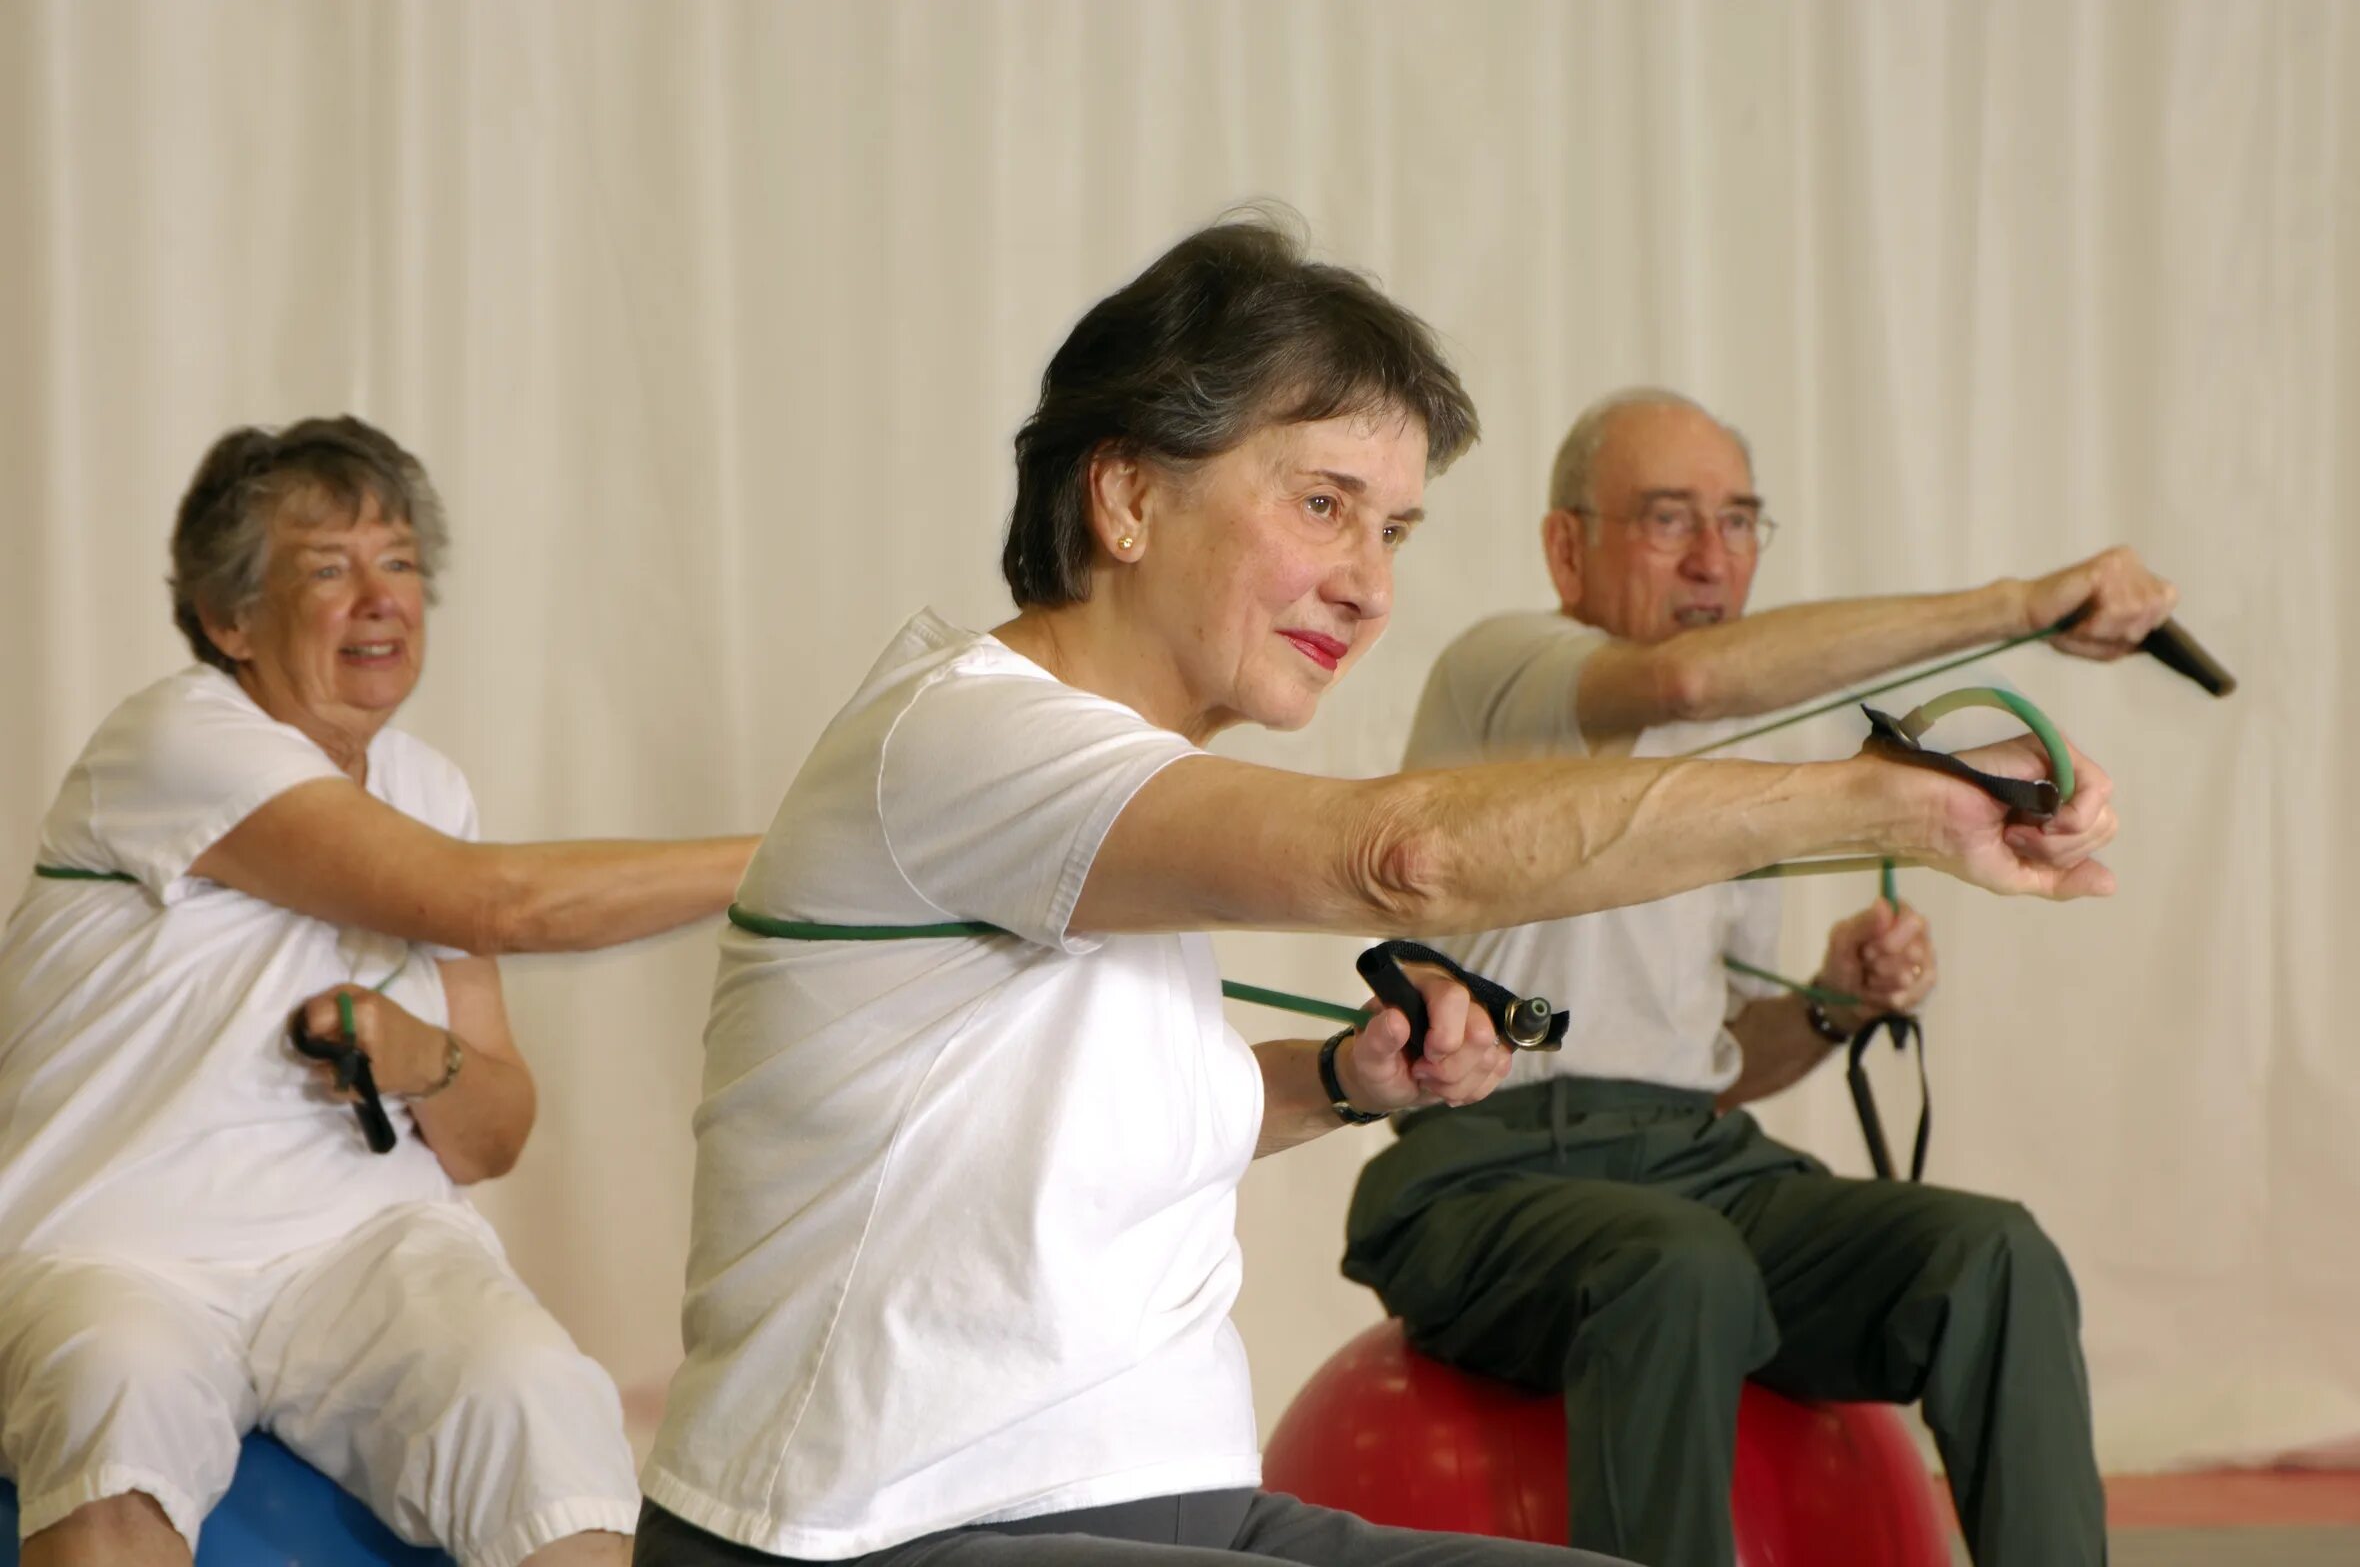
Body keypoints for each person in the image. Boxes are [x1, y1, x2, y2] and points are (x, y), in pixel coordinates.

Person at [636, 220, 2124, 1567]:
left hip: (1164, 1507)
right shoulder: (967, 738)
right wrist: (1891, 800)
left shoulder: (1100, 802)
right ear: (1129, 497)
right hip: (863, 1531)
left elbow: (1120, 1127)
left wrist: (1347, 1081)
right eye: (1325, 504)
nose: (1370, 586)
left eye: (1392, 530)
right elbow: (1398, 857)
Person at [1341, 387, 2179, 1567]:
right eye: (1669, 519)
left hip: (1696, 1164)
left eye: (1738, 524)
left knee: (1993, 1255)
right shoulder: (1505, 666)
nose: (1711, 558)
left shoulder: (1743, 768)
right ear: (1564, 546)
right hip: (1485, 1177)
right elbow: (1687, 683)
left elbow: (1724, 1060)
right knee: (1673, 1262)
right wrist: (2017, 608)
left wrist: (1834, 1003)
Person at [0, 417, 759, 1567]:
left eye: (398, 563)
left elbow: (495, 1132)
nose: (379, 598)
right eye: (326, 568)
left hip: (362, 1252)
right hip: (121, 1244)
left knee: (538, 1393)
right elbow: (494, 901)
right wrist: (800, 851)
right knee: (118, 1379)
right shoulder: (176, 737)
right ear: (227, 618)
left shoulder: (427, 786)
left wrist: (424, 1058)